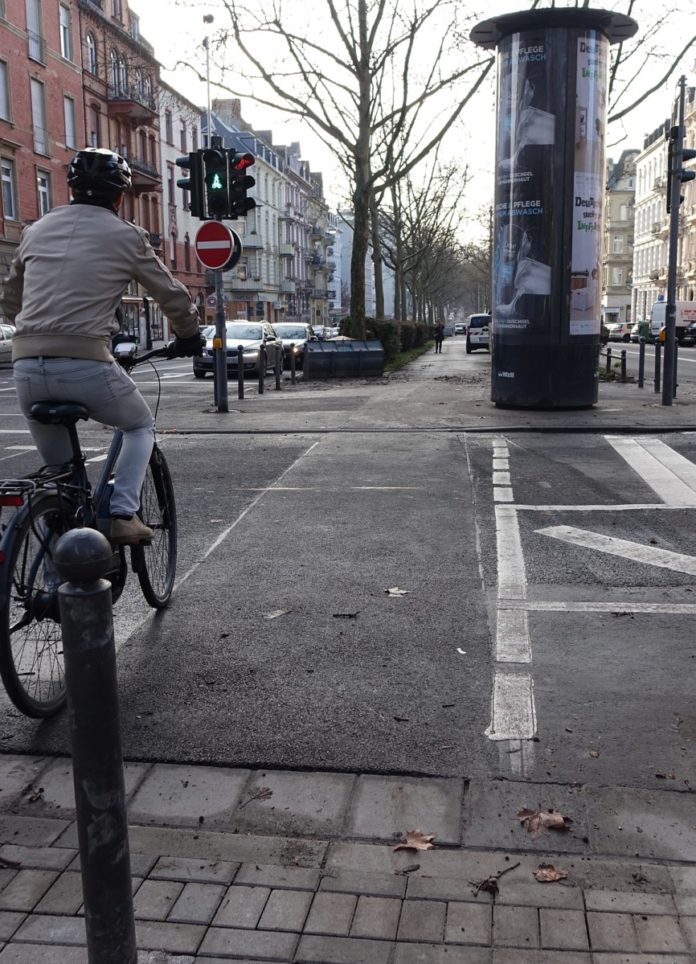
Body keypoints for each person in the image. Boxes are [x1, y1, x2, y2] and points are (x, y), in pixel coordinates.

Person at [0, 147, 204, 545]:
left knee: (61, 478)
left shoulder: (35, 230)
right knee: (139, 425)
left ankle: (57, 538)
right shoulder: (126, 235)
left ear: (71, 188)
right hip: (86, 364)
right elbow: (173, 295)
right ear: (120, 196)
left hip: (26, 366)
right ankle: (121, 514)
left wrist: (33, 331)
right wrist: (188, 335)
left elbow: (10, 299)